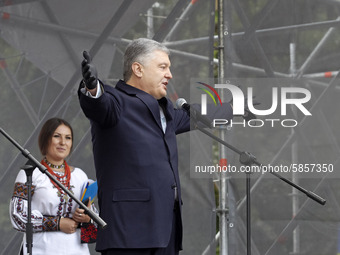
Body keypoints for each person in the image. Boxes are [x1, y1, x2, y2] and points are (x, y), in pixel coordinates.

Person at [78, 38, 233, 255]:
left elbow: (200, 114)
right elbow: (99, 104)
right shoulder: (116, 101)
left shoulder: (167, 111)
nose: (169, 74)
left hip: (165, 232)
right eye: (163, 67)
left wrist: (236, 109)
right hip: (128, 234)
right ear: (138, 69)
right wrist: (92, 87)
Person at [10, 117, 98, 255]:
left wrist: (87, 218)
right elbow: (18, 216)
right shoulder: (30, 173)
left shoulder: (80, 176)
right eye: (57, 136)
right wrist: (57, 223)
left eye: (68, 138)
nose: (63, 142)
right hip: (41, 250)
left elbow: (95, 218)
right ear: (46, 139)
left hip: (77, 251)